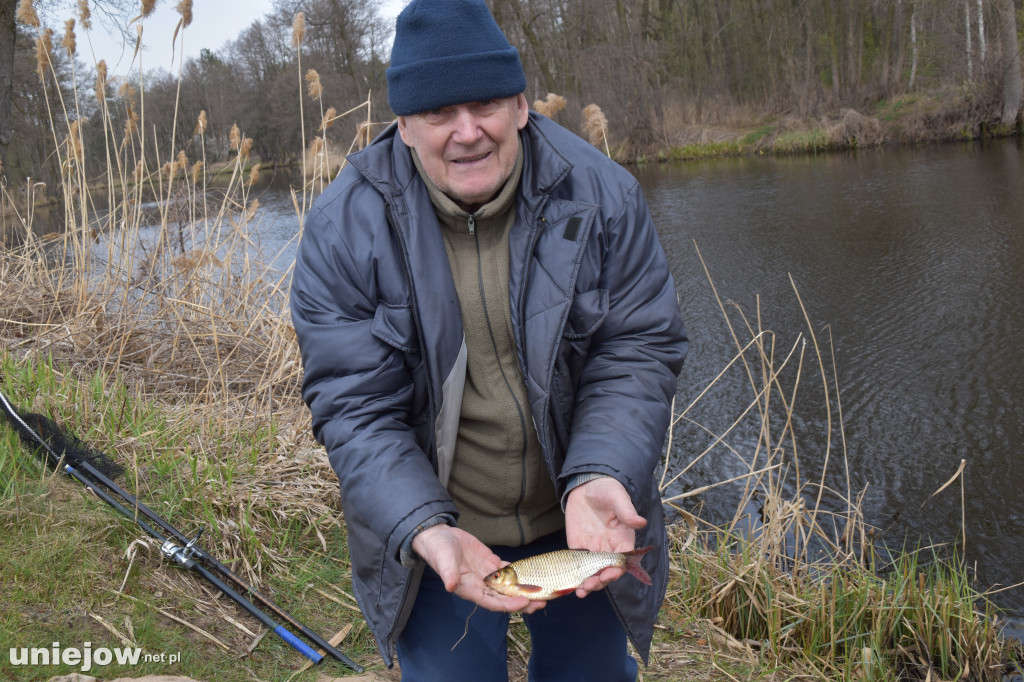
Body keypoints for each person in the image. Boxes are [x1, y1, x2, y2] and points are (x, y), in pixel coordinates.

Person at [289, 0, 688, 679]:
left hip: (580, 526)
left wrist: (600, 473)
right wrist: (424, 527)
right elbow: (355, 407)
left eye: (485, 105)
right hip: (440, 535)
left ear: (522, 105)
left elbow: (637, 349)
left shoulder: (602, 195)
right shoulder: (342, 228)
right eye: (440, 113)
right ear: (405, 126)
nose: (467, 132)